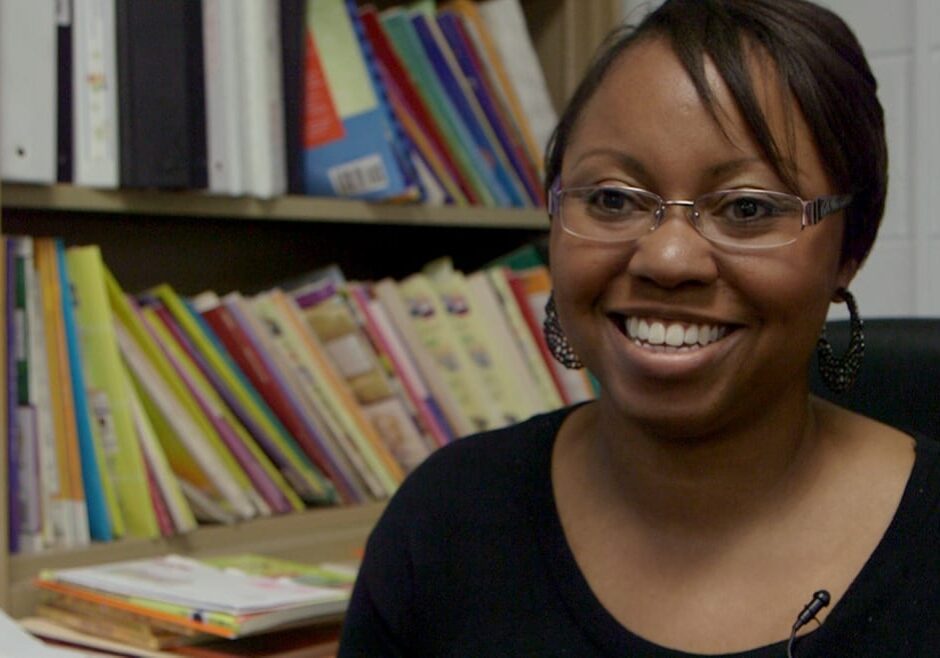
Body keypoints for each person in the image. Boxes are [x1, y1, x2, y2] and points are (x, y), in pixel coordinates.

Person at [338, 1, 940, 655]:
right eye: (613, 199)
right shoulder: (446, 521)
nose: (668, 259)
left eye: (746, 207)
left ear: (850, 248)